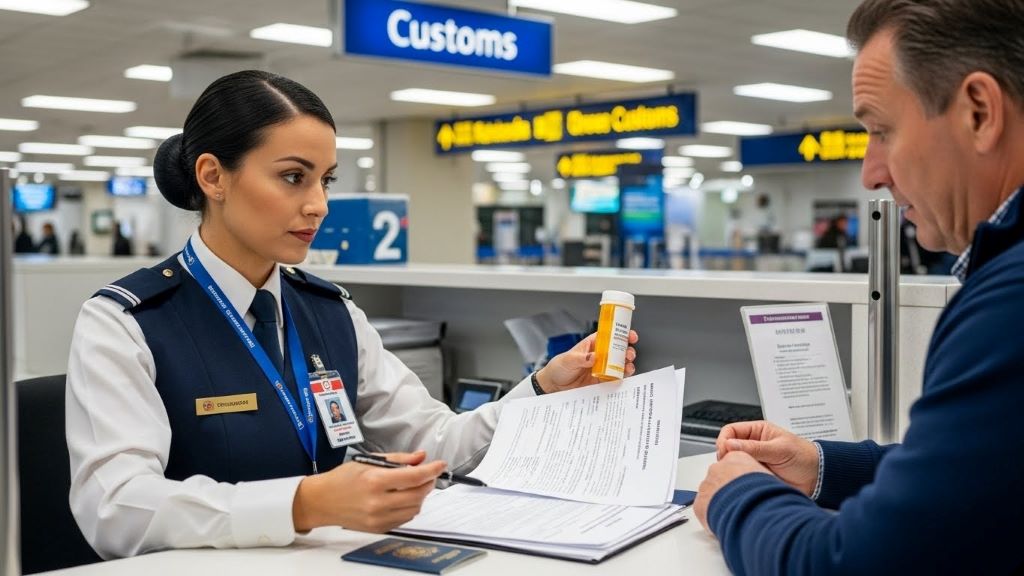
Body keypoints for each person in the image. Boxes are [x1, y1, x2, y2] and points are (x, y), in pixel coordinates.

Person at [66, 70, 640, 560]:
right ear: (213, 177)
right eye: (293, 177)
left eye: (325, 179)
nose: (318, 204)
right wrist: (303, 504)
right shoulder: (128, 321)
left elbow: (434, 438)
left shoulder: (329, 312)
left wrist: (540, 391)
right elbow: (113, 506)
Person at [693, 1, 1024, 573]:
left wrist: (737, 494)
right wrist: (821, 464)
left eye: (880, 131)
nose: (872, 172)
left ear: (979, 111)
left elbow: (854, 564)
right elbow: (979, 475)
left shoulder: (1009, 305)